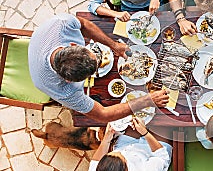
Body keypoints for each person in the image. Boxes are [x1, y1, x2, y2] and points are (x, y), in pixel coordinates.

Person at [28, 13, 169, 122]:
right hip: (38, 70)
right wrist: (147, 100)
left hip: (39, 45)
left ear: (73, 45)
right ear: (70, 81)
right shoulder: (63, 91)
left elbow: (83, 24)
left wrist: (114, 45)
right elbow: (103, 115)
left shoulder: (62, 25)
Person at [87, 118, 172, 171]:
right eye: (122, 156)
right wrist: (145, 133)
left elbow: (96, 160)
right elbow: (161, 155)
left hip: (127, 145)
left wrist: (107, 138)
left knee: (131, 118)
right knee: (165, 120)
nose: (119, 152)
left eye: (111, 153)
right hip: (153, 152)